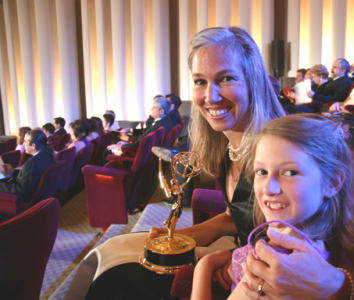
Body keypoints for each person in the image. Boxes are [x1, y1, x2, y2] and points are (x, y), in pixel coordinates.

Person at [83, 26, 286, 300]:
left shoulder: (280, 156)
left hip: (248, 280)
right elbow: (233, 217)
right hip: (233, 253)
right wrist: (176, 234)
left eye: (226, 78)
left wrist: (213, 263)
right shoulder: (229, 146)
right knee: (110, 251)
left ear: (253, 81)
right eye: (200, 81)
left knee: (113, 280)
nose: (209, 97)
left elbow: (304, 255)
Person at [192, 114, 354, 300]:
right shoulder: (304, 240)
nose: (268, 188)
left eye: (290, 172)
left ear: (332, 182)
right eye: (262, 171)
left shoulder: (281, 266)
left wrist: (204, 267)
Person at [0, 130, 57, 202]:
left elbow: (21, 190)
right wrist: (13, 172)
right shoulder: (47, 155)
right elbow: (32, 175)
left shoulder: (32, 163)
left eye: (25, 141)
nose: (23, 144)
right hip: (43, 196)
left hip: (24, 201)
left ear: (33, 146)